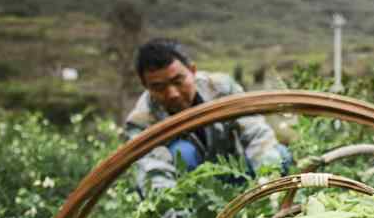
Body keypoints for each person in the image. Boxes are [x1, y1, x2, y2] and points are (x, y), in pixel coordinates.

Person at [124, 38, 291, 198]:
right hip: (190, 191)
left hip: (235, 173)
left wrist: (267, 183)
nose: (172, 94)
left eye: (178, 81)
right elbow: (154, 174)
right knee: (183, 153)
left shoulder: (221, 89)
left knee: (279, 155)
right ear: (145, 86)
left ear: (193, 70)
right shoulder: (141, 121)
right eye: (158, 87)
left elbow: (255, 133)